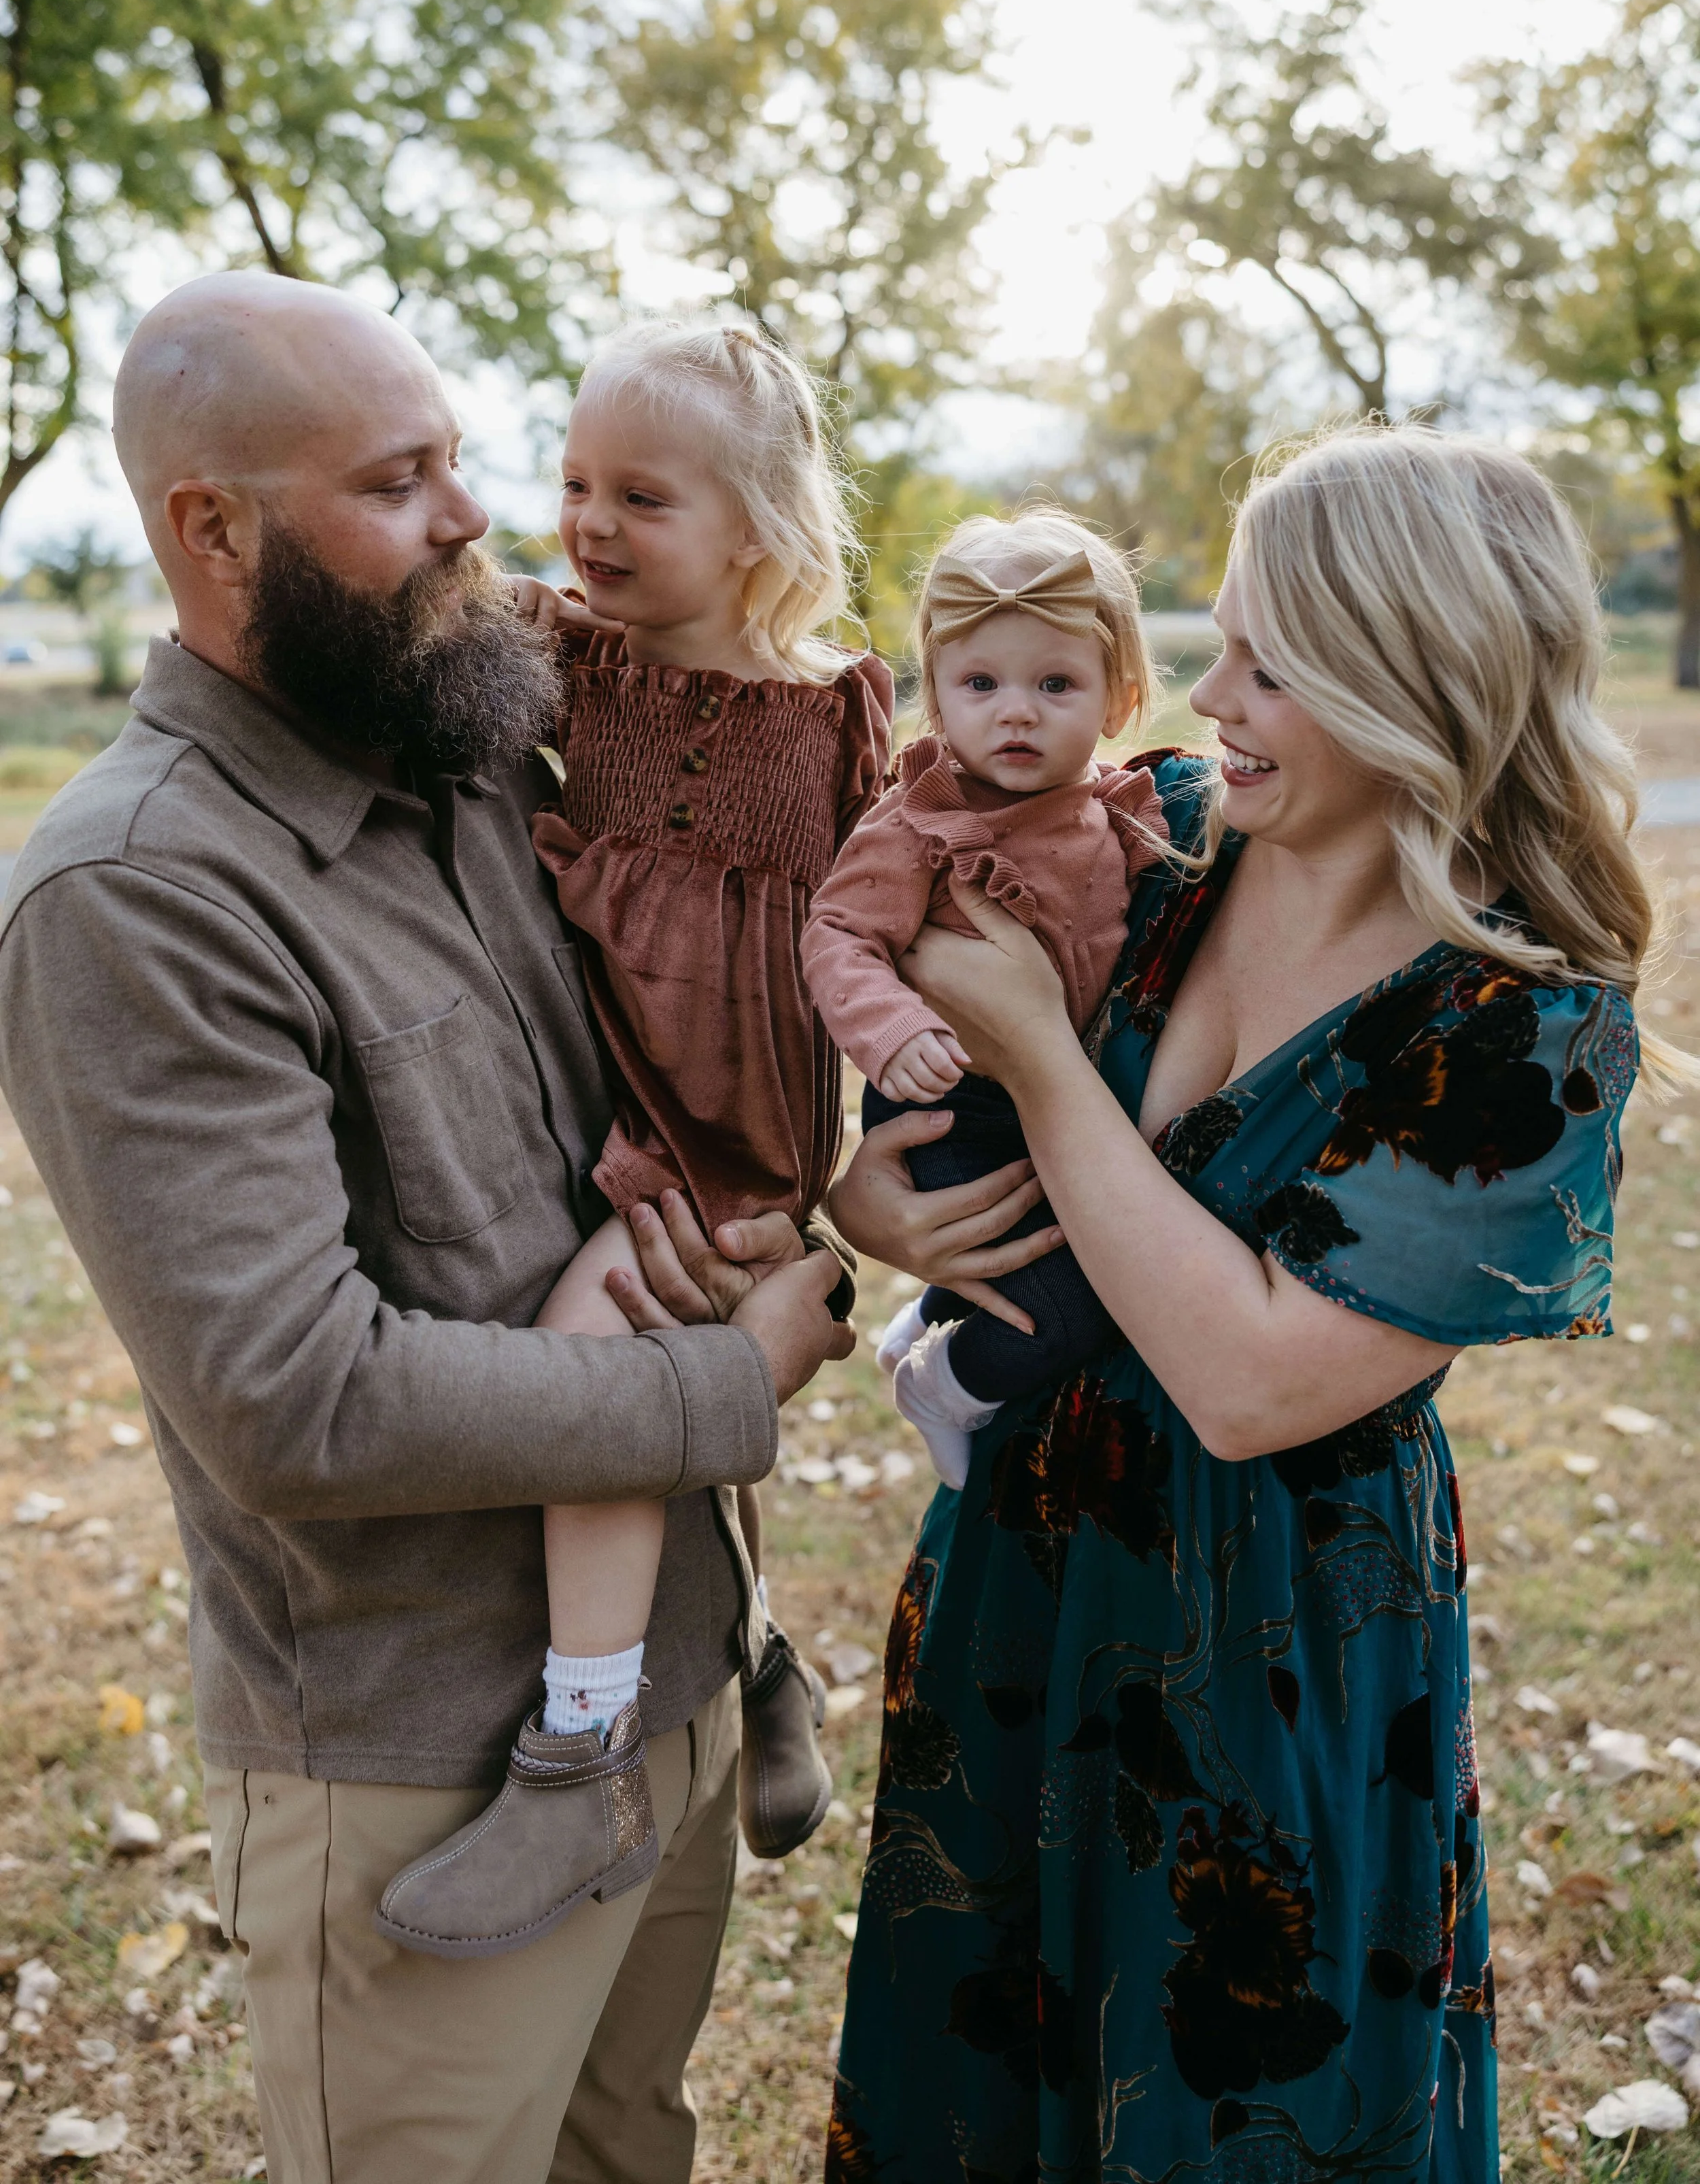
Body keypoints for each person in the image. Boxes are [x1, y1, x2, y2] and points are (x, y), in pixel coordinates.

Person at [0, 269, 864, 2184]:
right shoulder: (137, 891)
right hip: (424, 1773)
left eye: (459, 459)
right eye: (397, 483)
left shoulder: (479, 753)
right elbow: (298, 1401)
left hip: (680, 1686)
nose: (475, 515)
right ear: (215, 530)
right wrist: (731, 1380)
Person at [824, 427, 1671, 2183]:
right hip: (1019, 1566)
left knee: (1232, 2106)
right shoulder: (1152, 838)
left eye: (1265, 664)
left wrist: (1041, 1060)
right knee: (977, 2076)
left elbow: (1251, 1379)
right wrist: (878, 1200)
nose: (1205, 696)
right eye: (1216, 644)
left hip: (1269, 1634)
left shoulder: (1522, 1016)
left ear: (1409, 679)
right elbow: (892, 1034)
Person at [379, 320, 895, 1956]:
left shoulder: (833, 719)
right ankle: (755, 1659)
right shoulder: (569, 662)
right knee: (667, 1384)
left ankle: (581, 1746)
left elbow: (917, 891)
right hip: (590, 1092)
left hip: (729, 1135)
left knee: (594, 1352)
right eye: (576, 484)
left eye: (643, 498)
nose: (591, 524)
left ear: (756, 529)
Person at [801, 510, 1165, 1485]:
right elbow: (838, 934)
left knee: (1083, 1242)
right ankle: (944, 1382)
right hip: (947, 1099)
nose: (1016, 713)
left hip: (1052, 1096)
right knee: (1073, 1301)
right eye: (981, 684)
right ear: (937, 695)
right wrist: (894, 1027)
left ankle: (929, 1317)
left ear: (1121, 698)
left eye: (1055, 684)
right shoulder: (924, 821)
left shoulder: (1120, 811)